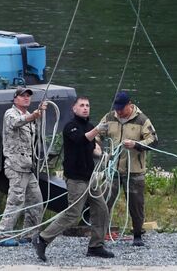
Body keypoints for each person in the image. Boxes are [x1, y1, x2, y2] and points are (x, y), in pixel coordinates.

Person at [33, 96, 114, 261]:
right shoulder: (71, 127)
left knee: (101, 209)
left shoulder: (89, 126)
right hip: (76, 179)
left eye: (88, 105)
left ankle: (96, 246)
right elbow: (81, 139)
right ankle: (42, 239)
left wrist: (106, 156)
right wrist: (97, 130)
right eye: (82, 105)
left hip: (90, 177)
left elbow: (92, 148)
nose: (85, 108)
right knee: (73, 214)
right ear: (74, 109)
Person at [98, 91, 158, 247]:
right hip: (113, 170)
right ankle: (100, 234)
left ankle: (137, 235)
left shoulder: (142, 120)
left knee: (136, 205)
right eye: (116, 108)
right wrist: (97, 149)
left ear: (130, 105)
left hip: (135, 171)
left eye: (122, 108)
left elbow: (153, 140)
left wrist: (136, 144)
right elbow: (98, 134)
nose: (119, 111)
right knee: (105, 202)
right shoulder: (109, 117)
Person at [0, 87, 47, 245]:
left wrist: (38, 116)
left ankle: (28, 234)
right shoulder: (10, 114)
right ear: (15, 99)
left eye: (28, 96)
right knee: (16, 200)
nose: (26, 98)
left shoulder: (29, 116)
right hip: (15, 165)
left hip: (27, 166)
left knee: (36, 199)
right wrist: (33, 116)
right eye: (22, 96)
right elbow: (16, 123)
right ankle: (2, 235)